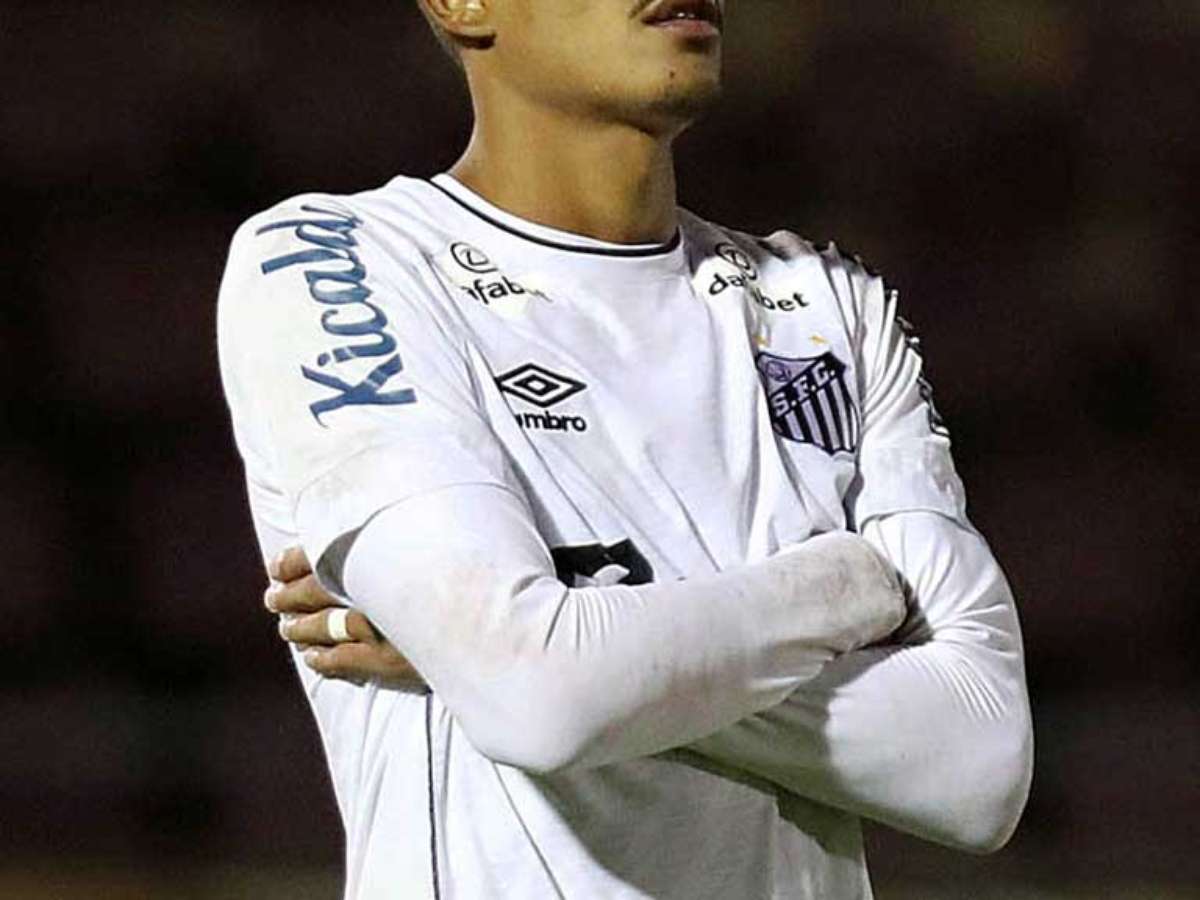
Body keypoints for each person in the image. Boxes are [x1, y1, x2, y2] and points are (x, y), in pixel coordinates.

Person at [217, 0, 1033, 897]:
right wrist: (842, 583)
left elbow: (979, 767)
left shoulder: (829, 306)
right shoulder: (337, 258)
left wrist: (553, 655)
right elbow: (539, 699)